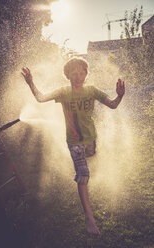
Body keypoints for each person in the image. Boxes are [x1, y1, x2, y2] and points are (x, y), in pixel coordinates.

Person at [21, 57, 125, 235]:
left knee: (90, 159)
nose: (77, 77)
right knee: (83, 176)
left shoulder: (92, 90)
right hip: (75, 143)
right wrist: (31, 83)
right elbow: (40, 98)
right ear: (67, 76)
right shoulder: (63, 92)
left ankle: (84, 169)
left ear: (86, 74)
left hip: (91, 140)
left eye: (81, 73)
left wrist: (120, 95)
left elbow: (113, 105)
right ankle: (89, 219)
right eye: (73, 74)